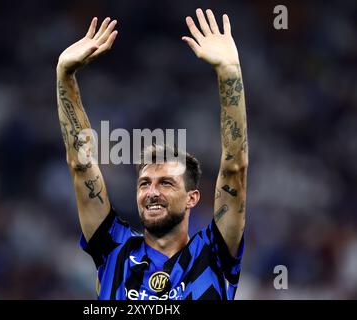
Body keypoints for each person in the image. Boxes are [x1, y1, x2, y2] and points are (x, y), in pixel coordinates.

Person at [56, 8, 248, 300]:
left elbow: (234, 168)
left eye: (166, 183)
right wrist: (64, 75)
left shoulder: (215, 253)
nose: (152, 192)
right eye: (145, 183)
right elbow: (81, 165)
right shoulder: (115, 248)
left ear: (192, 198)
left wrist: (229, 72)